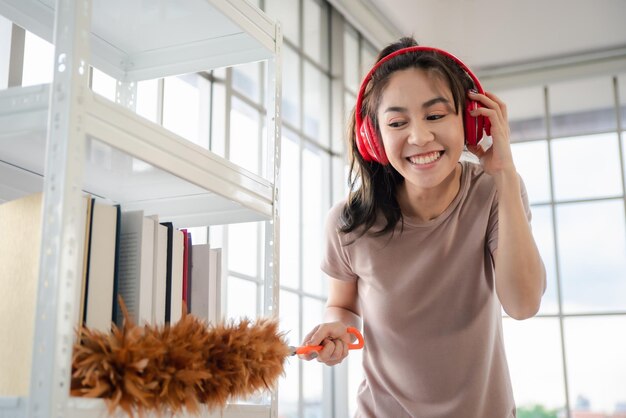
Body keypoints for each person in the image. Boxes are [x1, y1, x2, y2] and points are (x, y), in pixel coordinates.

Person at [299, 37, 546, 418]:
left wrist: (505, 174)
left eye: (435, 115)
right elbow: (342, 305)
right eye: (397, 122)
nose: (420, 137)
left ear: (468, 120)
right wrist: (336, 330)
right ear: (373, 137)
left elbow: (524, 304)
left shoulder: (494, 193)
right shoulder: (348, 222)